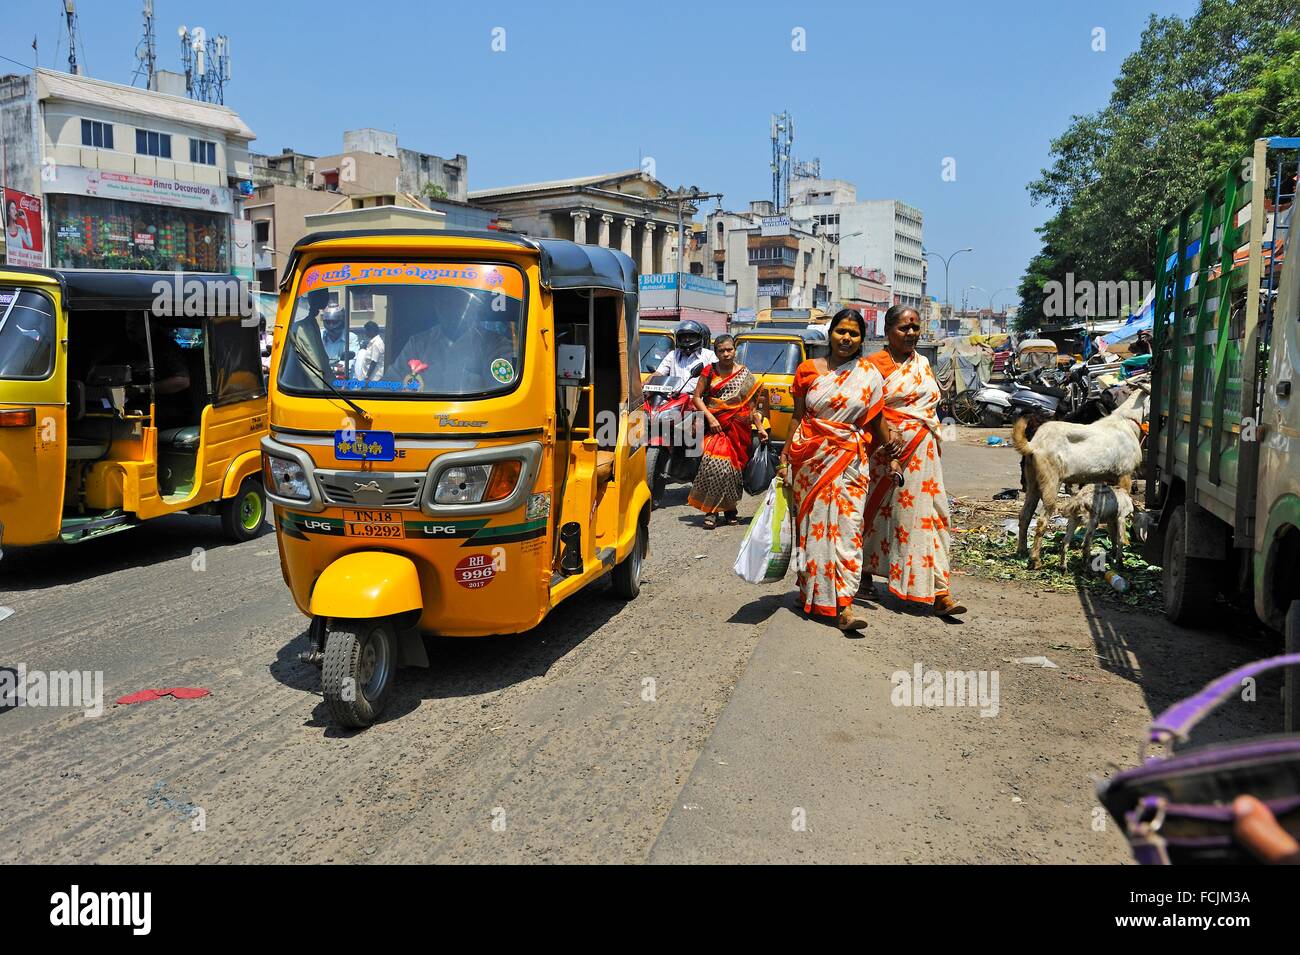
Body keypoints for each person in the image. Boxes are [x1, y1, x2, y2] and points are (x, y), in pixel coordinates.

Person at [779, 309, 897, 632]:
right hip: (811, 461)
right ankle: (811, 592)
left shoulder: (869, 375)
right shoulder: (807, 370)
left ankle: (843, 603)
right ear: (830, 333)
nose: (847, 338)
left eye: (854, 334)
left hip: (850, 462)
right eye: (841, 331)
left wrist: (893, 453)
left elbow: (877, 420)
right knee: (812, 531)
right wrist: (786, 455)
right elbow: (797, 415)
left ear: (862, 339)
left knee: (847, 529)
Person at [862, 305, 965, 617]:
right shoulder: (872, 365)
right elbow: (867, 409)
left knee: (932, 517)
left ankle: (939, 591)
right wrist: (888, 439)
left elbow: (931, 408)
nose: (910, 334)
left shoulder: (922, 364)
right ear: (888, 331)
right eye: (904, 328)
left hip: (923, 453)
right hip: (885, 454)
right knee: (878, 517)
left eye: (915, 328)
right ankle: (864, 573)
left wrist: (938, 437)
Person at [688, 335, 767, 528]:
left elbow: (752, 407)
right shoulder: (710, 371)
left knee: (734, 471)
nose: (726, 354)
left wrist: (761, 428)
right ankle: (712, 512)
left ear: (735, 350)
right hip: (716, 427)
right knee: (715, 466)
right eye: (721, 350)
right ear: (715, 353)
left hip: (740, 429)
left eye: (729, 349)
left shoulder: (745, 374)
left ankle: (730, 509)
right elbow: (696, 398)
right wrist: (711, 417)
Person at [385, 292, 513, 393]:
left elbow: (501, 395)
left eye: (457, 302)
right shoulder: (418, 344)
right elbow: (390, 383)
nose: (448, 308)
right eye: (443, 302)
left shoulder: (495, 345)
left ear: (472, 306)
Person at [654, 319, 716, 398]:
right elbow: (659, 373)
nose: (687, 339)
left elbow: (717, 378)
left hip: (698, 402)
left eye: (691, 336)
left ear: (699, 337)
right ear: (678, 338)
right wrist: (645, 383)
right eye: (684, 337)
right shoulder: (673, 355)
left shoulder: (709, 356)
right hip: (674, 401)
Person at [319, 303, 359, 379]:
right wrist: (335, 369)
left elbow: (346, 367)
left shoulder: (350, 337)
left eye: (334, 322)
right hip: (322, 379)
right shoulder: (320, 335)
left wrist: (326, 368)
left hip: (343, 382)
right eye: (328, 322)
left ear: (342, 322)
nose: (331, 325)